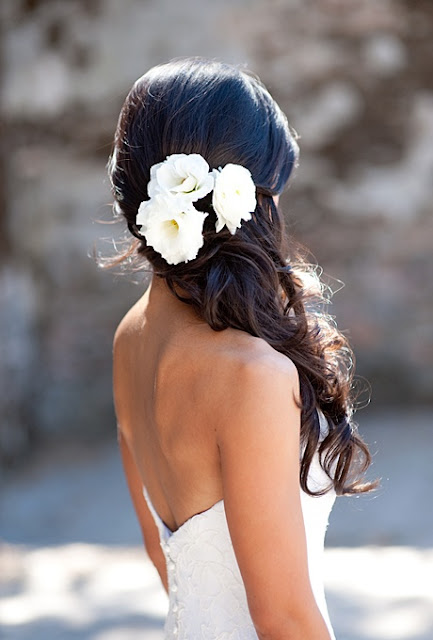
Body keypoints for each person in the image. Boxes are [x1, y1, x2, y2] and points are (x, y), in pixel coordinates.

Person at [106, 57, 376, 639]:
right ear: (248, 200)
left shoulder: (130, 337)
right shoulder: (251, 373)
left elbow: (164, 558)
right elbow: (282, 618)